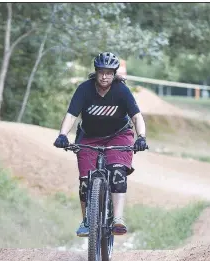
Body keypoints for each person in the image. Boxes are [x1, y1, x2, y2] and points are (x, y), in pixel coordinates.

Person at [53, 51, 147, 237]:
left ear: (114, 74)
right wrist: (63, 135)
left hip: (118, 136)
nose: (105, 76)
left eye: (109, 72)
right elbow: (72, 114)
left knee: (117, 171)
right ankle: (87, 221)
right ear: (95, 72)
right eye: (101, 72)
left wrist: (141, 137)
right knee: (85, 182)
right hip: (89, 137)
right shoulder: (84, 89)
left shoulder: (121, 91)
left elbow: (136, 116)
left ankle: (118, 219)